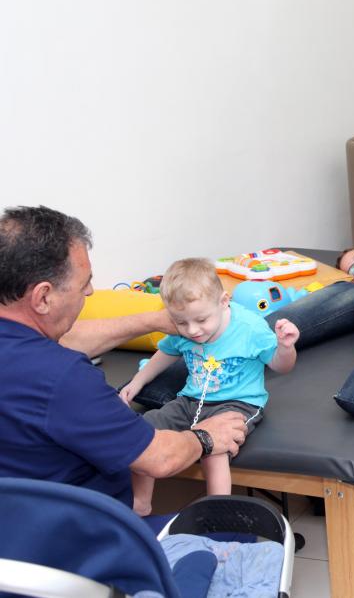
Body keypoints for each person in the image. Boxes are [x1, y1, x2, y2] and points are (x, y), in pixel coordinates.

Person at [0, 206, 247, 510]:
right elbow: (159, 458)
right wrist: (206, 437)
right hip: (84, 541)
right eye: (84, 283)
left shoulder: (26, 349)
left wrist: (153, 321)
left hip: (13, 534)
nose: (90, 292)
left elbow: (64, 339)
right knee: (260, 554)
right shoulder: (63, 378)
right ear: (42, 297)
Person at [119, 258, 299, 516]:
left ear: (224, 301)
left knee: (214, 450)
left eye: (201, 320)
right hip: (190, 401)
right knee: (143, 433)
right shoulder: (183, 330)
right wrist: (137, 382)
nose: (192, 330)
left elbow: (281, 366)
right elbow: (165, 353)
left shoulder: (249, 328)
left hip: (239, 403)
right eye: (181, 323)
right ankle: (141, 504)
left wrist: (285, 347)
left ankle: (218, 514)